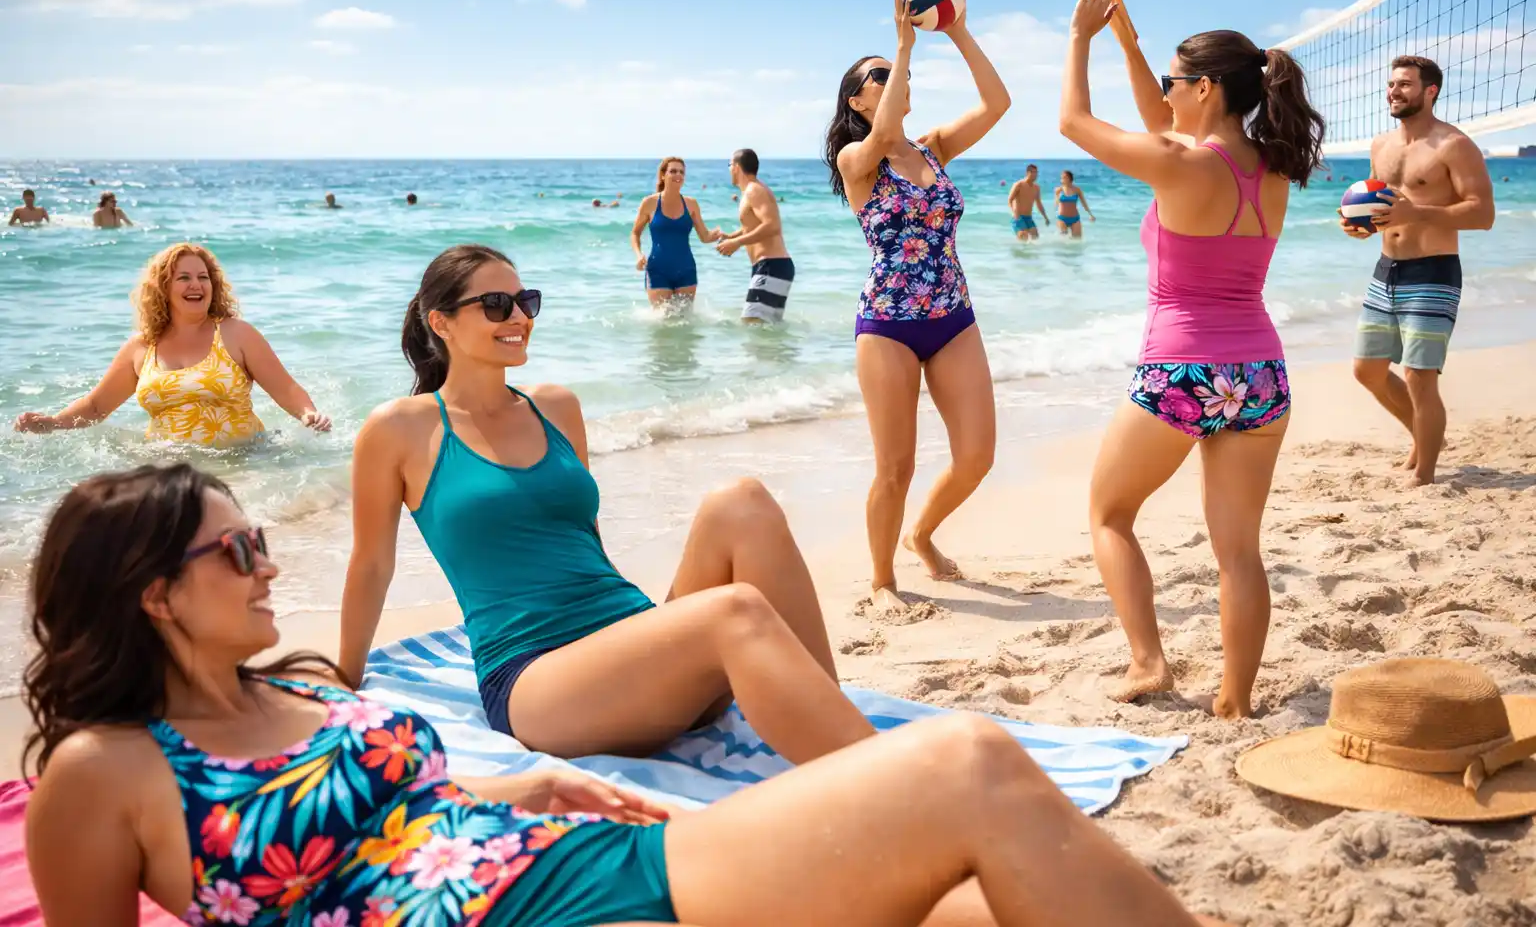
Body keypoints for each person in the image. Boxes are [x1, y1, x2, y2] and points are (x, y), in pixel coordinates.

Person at [24, 463, 1224, 927]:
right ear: (149, 595)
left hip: (538, 857)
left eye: (261, 538)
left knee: (972, 889)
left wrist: (515, 778)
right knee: (969, 768)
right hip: (491, 917)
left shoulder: (290, 684)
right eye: (236, 553)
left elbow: (384, 806)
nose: (270, 562)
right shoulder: (112, 769)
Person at [344, 244, 866, 762]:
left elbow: (582, 539)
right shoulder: (399, 429)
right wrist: (341, 679)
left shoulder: (555, 406)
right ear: (442, 322)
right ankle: (875, 774)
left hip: (634, 655)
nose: (519, 317)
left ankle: (834, 719)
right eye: (496, 305)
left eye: (526, 302)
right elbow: (371, 565)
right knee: (736, 610)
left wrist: (651, 632)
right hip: (536, 679)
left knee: (742, 501)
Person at [1059, 0, 1324, 718]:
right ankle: (1235, 701)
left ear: (1206, 89)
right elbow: (1161, 117)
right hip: (1261, 375)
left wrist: (1080, 36)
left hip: (1183, 370)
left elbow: (1074, 122)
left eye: (1179, 83)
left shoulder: (1181, 166)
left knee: (1109, 515)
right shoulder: (1271, 166)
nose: (1167, 94)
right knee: (1239, 551)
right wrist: (1130, 43)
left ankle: (1150, 662)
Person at [824, 0, 1010, 610]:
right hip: (888, 326)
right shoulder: (860, 159)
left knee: (978, 455)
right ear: (858, 99)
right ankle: (882, 580)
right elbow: (877, 138)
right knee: (894, 467)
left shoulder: (932, 147)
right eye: (878, 76)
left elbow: (998, 101)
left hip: (953, 317)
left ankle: (922, 534)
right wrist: (903, 45)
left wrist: (955, 31)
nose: (894, 74)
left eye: (894, 69)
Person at [1339, 55, 1495, 486]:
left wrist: (1417, 213)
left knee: (1419, 377)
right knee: (1366, 370)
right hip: (1385, 270)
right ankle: (1427, 437)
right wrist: (1359, 225)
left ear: (1431, 91)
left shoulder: (1454, 145)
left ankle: (1425, 473)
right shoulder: (1380, 145)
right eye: (1392, 84)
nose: (1394, 91)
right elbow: (1375, 201)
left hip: (1434, 272)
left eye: (1405, 84)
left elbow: (1482, 214)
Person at [12, 242, 331, 445]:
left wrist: (308, 414)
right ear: (163, 288)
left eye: (203, 277)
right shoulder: (141, 347)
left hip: (244, 464)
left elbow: (286, 388)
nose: (196, 285)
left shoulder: (236, 334)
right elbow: (96, 407)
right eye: (184, 278)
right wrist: (51, 423)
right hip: (168, 469)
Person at [629, 157, 726, 308]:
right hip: (658, 270)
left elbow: (704, 236)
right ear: (663, 175)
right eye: (673, 171)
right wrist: (638, 254)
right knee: (662, 322)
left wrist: (720, 234)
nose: (678, 175)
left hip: (686, 269)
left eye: (681, 172)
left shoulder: (691, 204)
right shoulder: (649, 203)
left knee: (685, 321)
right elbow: (635, 233)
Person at [717, 148, 795, 323]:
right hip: (773, 266)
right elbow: (754, 225)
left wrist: (737, 242)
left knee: (752, 323)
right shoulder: (751, 191)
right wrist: (731, 237)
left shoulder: (754, 190)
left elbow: (772, 225)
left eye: (729, 165)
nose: (729, 169)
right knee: (766, 328)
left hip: (771, 265)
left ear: (736, 167)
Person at [1008, 165, 1050, 241]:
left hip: (1028, 218)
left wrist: (1045, 217)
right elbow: (1010, 200)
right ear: (1028, 173)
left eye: (1037, 173)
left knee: (1035, 237)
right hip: (1018, 217)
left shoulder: (1036, 188)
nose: (1036, 175)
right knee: (1024, 238)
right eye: (1034, 172)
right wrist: (1014, 214)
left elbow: (1039, 204)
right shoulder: (1019, 185)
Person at [1053, 171, 1094, 236]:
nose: (1062, 179)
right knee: (1063, 241)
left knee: (1077, 242)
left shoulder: (1077, 190)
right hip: (1062, 219)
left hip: (1075, 219)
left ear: (1069, 178)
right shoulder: (1058, 190)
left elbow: (1084, 203)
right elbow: (1055, 205)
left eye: (1064, 177)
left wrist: (1090, 214)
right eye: (1061, 178)